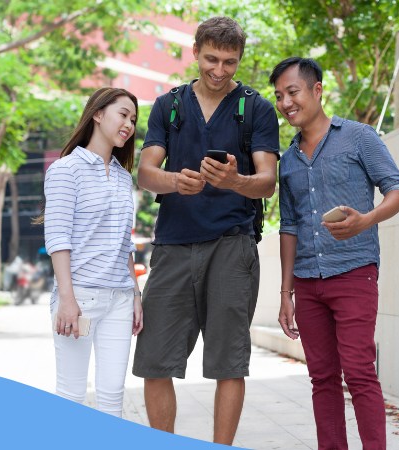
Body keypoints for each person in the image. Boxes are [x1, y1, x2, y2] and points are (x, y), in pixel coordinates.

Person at [131, 16, 279, 445]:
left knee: (228, 362)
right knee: (155, 360)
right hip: (173, 246)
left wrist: (235, 181)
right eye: (211, 59)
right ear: (194, 52)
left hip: (232, 246)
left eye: (230, 62)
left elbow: (268, 180)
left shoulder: (256, 109)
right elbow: (145, 172)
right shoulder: (168, 105)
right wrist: (177, 180)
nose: (219, 70)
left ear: (240, 60)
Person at [270, 57, 399, 450]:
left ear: (316, 90)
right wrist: (286, 294)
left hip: (354, 273)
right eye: (279, 96)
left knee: (360, 373)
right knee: (322, 379)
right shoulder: (288, 161)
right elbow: (290, 226)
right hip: (307, 282)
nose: (285, 102)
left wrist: (367, 220)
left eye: (292, 92)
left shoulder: (359, 137)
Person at [43, 87, 143, 417]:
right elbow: (58, 239)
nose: (129, 124)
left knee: (113, 395)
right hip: (80, 299)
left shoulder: (121, 175)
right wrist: (67, 300)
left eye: (133, 118)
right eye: (123, 114)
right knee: (71, 395)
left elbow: (123, 241)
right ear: (98, 114)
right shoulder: (65, 170)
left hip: (119, 300)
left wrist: (135, 294)